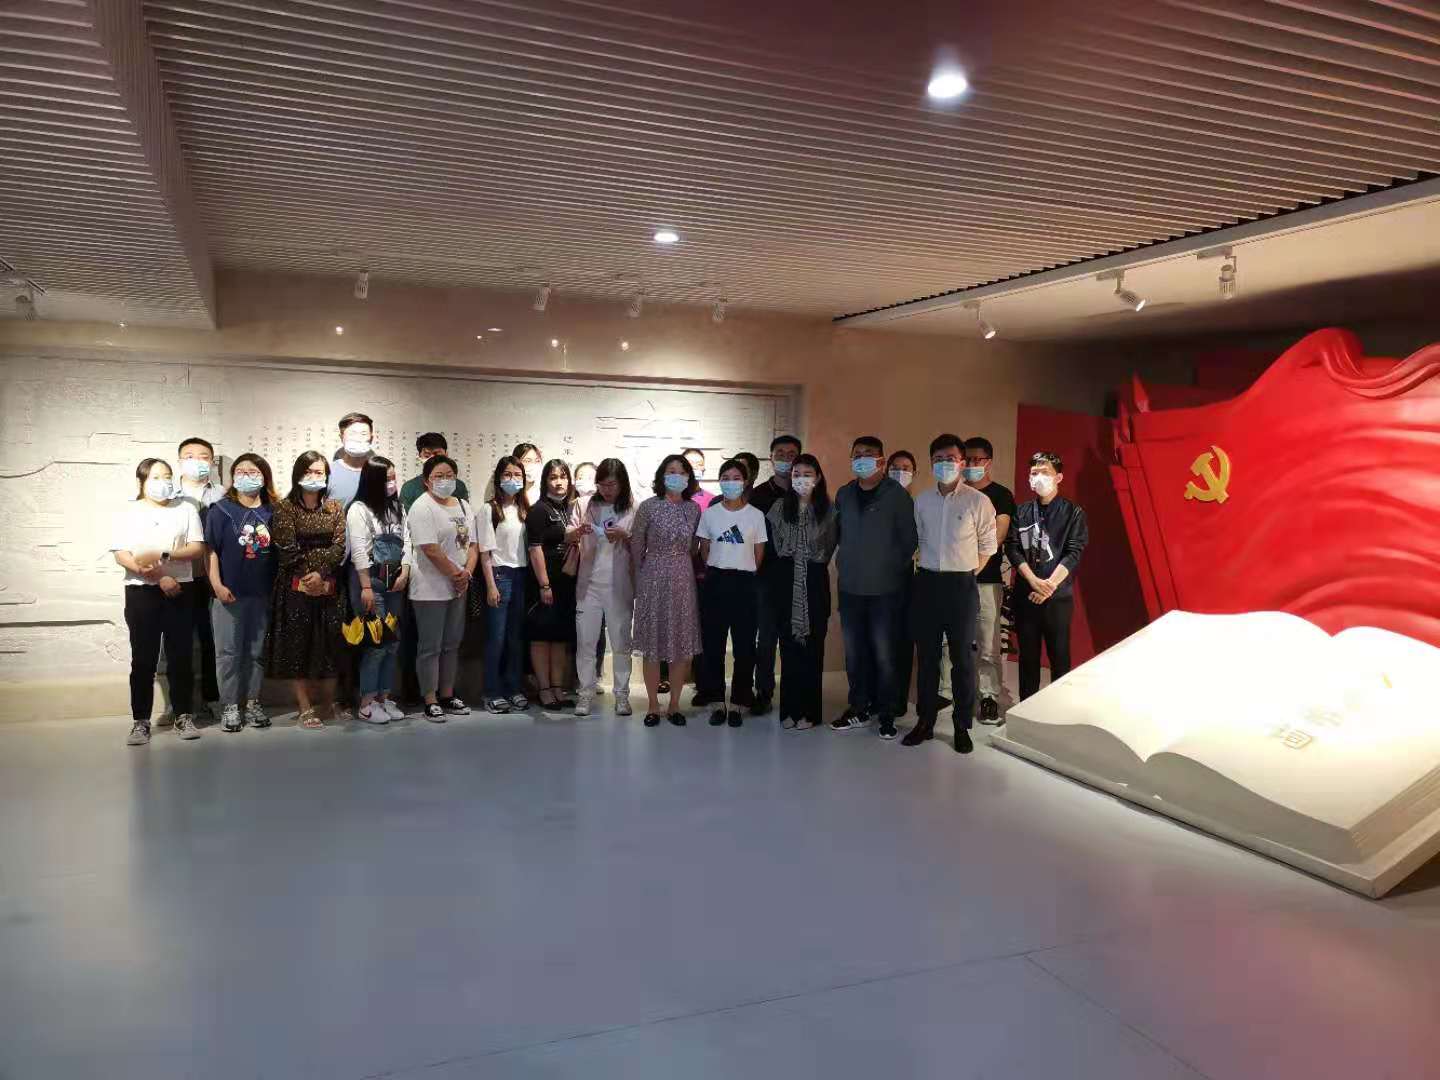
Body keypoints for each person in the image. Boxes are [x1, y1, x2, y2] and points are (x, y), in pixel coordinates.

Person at [906, 434, 997, 753]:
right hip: (927, 583)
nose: (945, 464)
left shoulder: (978, 501)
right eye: (939, 459)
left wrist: (967, 574)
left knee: (962, 660)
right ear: (931, 463)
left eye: (951, 458)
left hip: (961, 586)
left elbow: (988, 546)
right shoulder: (922, 501)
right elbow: (918, 540)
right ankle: (925, 721)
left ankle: (961, 726)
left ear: (962, 462)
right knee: (927, 658)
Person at [111, 459, 205, 746]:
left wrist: (162, 555)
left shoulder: (186, 509)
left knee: (181, 656)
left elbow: (196, 548)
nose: (163, 482)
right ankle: (140, 720)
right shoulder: (129, 511)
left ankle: (183, 715)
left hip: (180, 589)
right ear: (141, 481)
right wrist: (151, 573)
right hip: (141, 591)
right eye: (155, 477)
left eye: (167, 476)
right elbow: (122, 553)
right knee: (143, 659)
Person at [832, 436, 917, 740]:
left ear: (881, 460)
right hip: (851, 588)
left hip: (886, 591)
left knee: (885, 654)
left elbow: (909, 541)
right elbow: (836, 534)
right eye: (857, 454)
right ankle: (858, 707)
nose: (862, 459)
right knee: (855, 654)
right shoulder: (844, 494)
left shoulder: (897, 495)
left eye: (869, 454)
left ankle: (887, 712)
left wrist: (889, 569)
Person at [263, 451, 347, 729]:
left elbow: (339, 546)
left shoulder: (335, 507)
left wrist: (321, 576)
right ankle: (305, 706)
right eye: (308, 472)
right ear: (298, 475)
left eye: (319, 472)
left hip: (329, 585)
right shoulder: (285, 508)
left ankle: (328, 703)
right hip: (294, 585)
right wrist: (308, 578)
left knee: (330, 643)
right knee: (298, 645)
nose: (314, 477)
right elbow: (286, 547)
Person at [1005, 451, 1089, 703]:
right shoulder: (1021, 512)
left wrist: (1049, 586)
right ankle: (1026, 708)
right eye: (1034, 473)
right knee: (1028, 658)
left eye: (1045, 473)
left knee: (1059, 657)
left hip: (1057, 598)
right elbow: (1012, 548)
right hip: (1026, 595)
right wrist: (1033, 581)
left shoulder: (1073, 512)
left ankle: (1058, 709)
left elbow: (1074, 552)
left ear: (1058, 477)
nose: (1039, 477)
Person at [205, 453, 279, 733]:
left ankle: (252, 701)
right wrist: (217, 585)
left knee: (256, 652)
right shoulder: (220, 510)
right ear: (233, 476)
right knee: (228, 652)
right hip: (229, 594)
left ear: (264, 477)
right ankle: (230, 705)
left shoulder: (275, 511)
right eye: (241, 472)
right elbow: (210, 551)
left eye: (254, 472)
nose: (247, 477)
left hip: (262, 593)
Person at [764, 454, 837, 731]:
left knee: (813, 647)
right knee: (788, 647)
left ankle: (810, 711)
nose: (801, 479)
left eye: (807, 474)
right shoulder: (778, 508)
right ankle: (789, 709)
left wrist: (808, 558)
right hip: (785, 580)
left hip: (815, 580)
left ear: (818, 478)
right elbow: (775, 547)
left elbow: (829, 548)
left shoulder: (829, 511)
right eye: (796, 474)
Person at [630, 454, 703, 726]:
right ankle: (652, 704)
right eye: (671, 471)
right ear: (662, 475)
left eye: (682, 472)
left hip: (683, 577)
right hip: (653, 576)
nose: (676, 476)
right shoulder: (648, 507)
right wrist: (640, 578)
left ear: (688, 478)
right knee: (652, 644)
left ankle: (674, 705)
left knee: (681, 644)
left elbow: (695, 547)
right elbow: (636, 545)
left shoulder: (693, 509)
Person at [695, 459, 766, 727]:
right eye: (725, 477)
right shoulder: (710, 513)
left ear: (745, 482)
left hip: (745, 584)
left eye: (736, 478)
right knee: (713, 646)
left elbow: (759, 554)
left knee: (745, 647)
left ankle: (738, 702)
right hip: (715, 582)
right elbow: (704, 549)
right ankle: (717, 701)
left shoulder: (755, 515)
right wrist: (720, 567)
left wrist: (741, 569)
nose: (731, 482)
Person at [408, 454, 478, 721]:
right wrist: (456, 574)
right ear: (427, 481)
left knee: (452, 643)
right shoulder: (421, 506)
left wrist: (466, 573)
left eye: (450, 475)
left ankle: (447, 694)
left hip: (459, 586)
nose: (445, 480)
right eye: (438, 476)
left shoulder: (463, 505)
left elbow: (473, 544)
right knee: (431, 646)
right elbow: (430, 548)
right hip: (430, 588)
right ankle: (430, 698)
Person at [346, 457, 412, 725]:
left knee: (393, 643)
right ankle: (366, 702)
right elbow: (359, 550)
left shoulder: (398, 507)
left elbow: (408, 541)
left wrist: (405, 571)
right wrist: (365, 586)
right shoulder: (359, 509)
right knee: (376, 643)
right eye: (387, 479)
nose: (392, 483)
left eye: (394, 478)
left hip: (395, 582)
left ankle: (384, 697)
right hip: (370, 583)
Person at [573, 458, 637, 717]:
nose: (607, 490)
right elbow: (568, 534)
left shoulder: (633, 507)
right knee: (586, 642)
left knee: (621, 643)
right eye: (602, 484)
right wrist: (578, 531)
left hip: (619, 585)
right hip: (588, 584)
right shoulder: (585, 504)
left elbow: (642, 545)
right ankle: (585, 694)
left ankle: (622, 695)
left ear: (622, 484)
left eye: (612, 485)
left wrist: (625, 535)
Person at [963, 436, 1018, 724]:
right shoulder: (955, 493)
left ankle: (988, 696)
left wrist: (971, 561)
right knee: (951, 642)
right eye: (967, 460)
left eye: (977, 459)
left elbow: (997, 537)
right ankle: (952, 691)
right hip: (953, 580)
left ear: (989, 462)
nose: (972, 464)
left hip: (986, 579)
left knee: (987, 642)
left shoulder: (1001, 495)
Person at [747, 434, 801, 715]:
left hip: (798, 577)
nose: (786, 459)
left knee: (794, 638)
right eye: (780, 453)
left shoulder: (806, 491)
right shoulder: (757, 495)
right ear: (771, 457)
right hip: (766, 577)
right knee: (766, 639)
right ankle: (764, 692)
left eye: (792, 454)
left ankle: (793, 693)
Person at [174, 436, 223, 723]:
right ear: (180, 461)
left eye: (204, 456)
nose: (197, 461)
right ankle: (180, 705)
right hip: (178, 577)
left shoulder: (223, 494)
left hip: (212, 578)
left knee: (212, 641)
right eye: (190, 456)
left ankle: (212, 698)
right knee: (178, 642)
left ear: (212, 462)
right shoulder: (169, 494)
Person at [478, 456, 532, 714]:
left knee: (515, 638)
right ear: (499, 478)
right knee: (496, 638)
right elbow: (484, 552)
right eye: (508, 474)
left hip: (521, 575)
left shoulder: (525, 509)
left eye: (517, 475)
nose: (513, 479)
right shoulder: (489, 510)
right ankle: (491, 692)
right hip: (499, 575)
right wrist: (490, 585)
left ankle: (513, 688)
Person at [526, 459, 580, 708]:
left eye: (563, 476)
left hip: (566, 581)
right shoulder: (539, 510)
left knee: (559, 637)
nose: (559, 482)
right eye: (553, 477)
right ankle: (544, 689)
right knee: (541, 636)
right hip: (545, 582)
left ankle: (558, 687)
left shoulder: (569, 509)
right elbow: (535, 548)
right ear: (545, 481)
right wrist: (544, 585)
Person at [886, 450, 920, 719]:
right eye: (895, 468)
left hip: (909, 581)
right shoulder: (879, 502)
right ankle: (876, 697)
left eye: (906, 468)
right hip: (878, 582)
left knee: (902, 643)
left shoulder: (919, 506)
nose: (900, 472)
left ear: (914, 473)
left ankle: (898, 699)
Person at [401, 433, 470, 510]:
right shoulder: (409, 488)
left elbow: (464, 513)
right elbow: (408, 516)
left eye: (437, 455)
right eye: (427, 455)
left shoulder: (459, 486)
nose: (432, 459)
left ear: (446, 454)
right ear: (420, 457)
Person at [328, 412, 375, 506]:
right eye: (352, 434)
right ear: (341, 437)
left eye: (363, 434)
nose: (357, 439)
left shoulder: (380, 472)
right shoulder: (327, 472)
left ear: (371, 438)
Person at [513, 442, 544, 507]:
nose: (533, 465)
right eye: (527, 461)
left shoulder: (545, 494)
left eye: (537, 461)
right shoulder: (511, 495)